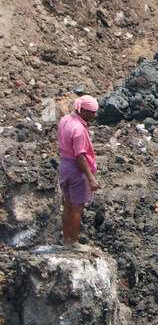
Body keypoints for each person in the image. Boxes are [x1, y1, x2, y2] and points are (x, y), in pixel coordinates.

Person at [58, 95, 99, 246]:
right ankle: (74, 242)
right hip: (77, 170)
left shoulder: (65, 120)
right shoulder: (79, 129)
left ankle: (66, 240)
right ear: (84, 111)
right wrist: (90, 177)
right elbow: (80, 157)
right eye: (92, 113)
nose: (93, 116)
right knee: (77, 208)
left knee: (68, 205)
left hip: (64, 165)